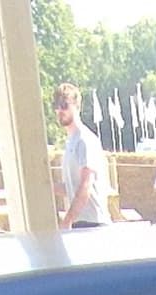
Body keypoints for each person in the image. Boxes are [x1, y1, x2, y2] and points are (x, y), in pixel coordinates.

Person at [52, 84, 106, 228]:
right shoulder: (71, 142)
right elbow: (72, 188)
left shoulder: (85, 140)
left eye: (64, 105)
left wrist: (67, 221)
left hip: (93, 224)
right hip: (81, 223)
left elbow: (86, 185)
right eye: (56, 106)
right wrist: (45, 187)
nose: (59, 110)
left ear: (77, 106)